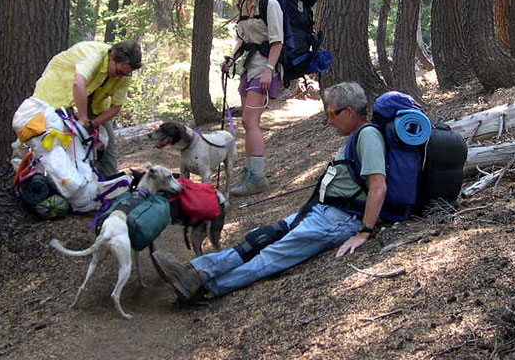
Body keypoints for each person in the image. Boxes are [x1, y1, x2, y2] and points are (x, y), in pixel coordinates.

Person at [152, 82, 387, 301]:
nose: (329, 120)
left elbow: (378, 185)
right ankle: (197, 270)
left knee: (273, 254)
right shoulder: (357, 136)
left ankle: (205, 288)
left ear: (348, 112)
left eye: (332, 113)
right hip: (324, 211)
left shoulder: (368, 136)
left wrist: (364, 231)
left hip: (340, 219)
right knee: (260, 238)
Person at [33, 40, 142, 178]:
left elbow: (116, 106)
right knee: (63, 144)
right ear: (112, 57)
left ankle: (110, 186)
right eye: (119, 72)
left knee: (107, 144)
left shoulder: (125, 73)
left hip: (94, 103)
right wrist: (83, 119)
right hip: (59, 94)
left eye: (125, 74)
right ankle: (59, 182)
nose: (120, 77)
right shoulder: (94, 54)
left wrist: (92, 123)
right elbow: (78, 82)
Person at [222, 0, 284, 197]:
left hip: (264, 67)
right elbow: (243, 39)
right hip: (248, 65)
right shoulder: (245, 6)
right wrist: (232, 58)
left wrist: (269, 70)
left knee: (250, 121)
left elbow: (278, 41)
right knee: (247, 123)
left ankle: (258, 178)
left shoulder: (270, 3)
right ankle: (251, 172)